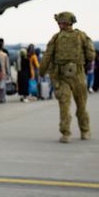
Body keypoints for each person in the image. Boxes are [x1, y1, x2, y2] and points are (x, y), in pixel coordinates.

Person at [39, 12, 95, 143]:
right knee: (80, 105)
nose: (59, 25)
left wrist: (41, 71)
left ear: (64, 22)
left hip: (63, 75)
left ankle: (67, 134)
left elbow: (47, 56)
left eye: (60, 22)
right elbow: (91, 55)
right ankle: (84, 131)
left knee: (65, 105)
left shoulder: (56, 38)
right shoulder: (82, 36)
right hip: (77, 74)